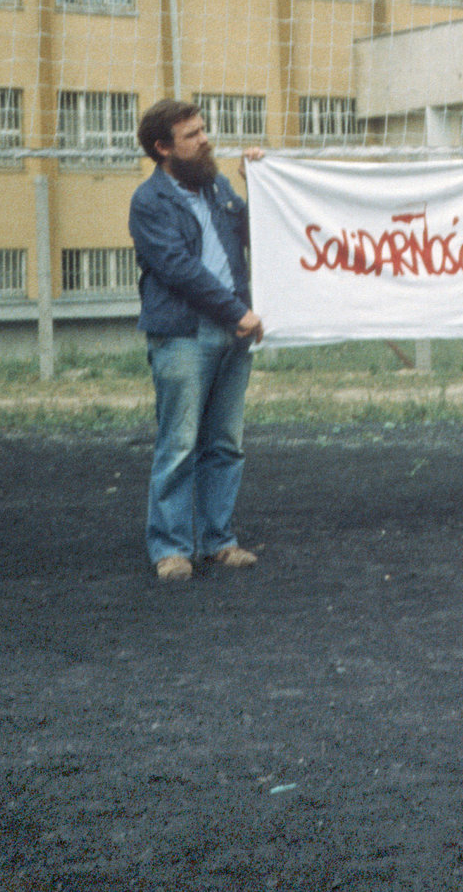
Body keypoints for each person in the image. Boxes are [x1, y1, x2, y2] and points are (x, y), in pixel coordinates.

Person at [129, 99, 265, 580]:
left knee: (225, 442)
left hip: (233, 333)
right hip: (184, 335)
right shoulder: (149, 203)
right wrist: (238, 312)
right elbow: (180, 270)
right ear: (163, 148)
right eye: (192, 135)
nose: (206, 139)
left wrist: (264, 187)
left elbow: (259, 232)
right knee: (180, 443)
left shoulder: (219, 187)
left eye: (204, 130)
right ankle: (170, 548)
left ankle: (218, 541)